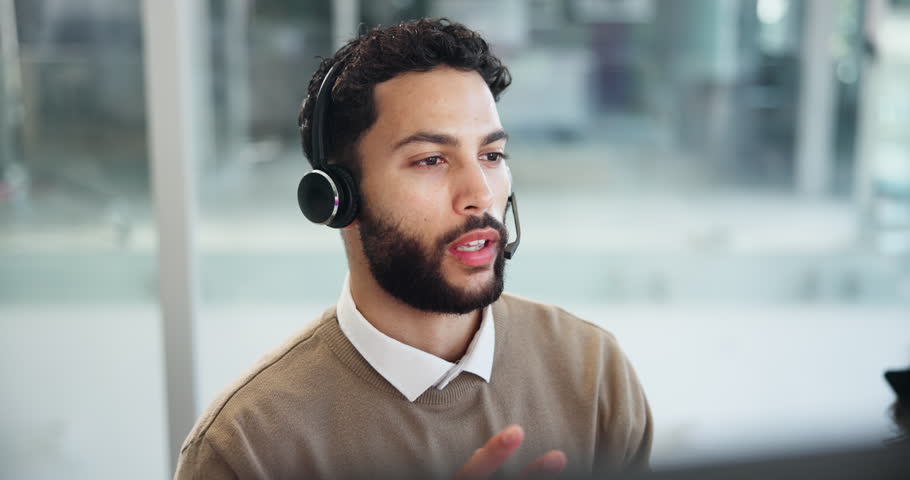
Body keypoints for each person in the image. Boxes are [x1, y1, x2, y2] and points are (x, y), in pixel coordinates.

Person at [174, 18, 652, 479]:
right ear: (337, 197)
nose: (480, 194)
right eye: (431, 160)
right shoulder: (246, 449)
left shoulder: (592, 373)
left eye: (491, 156)